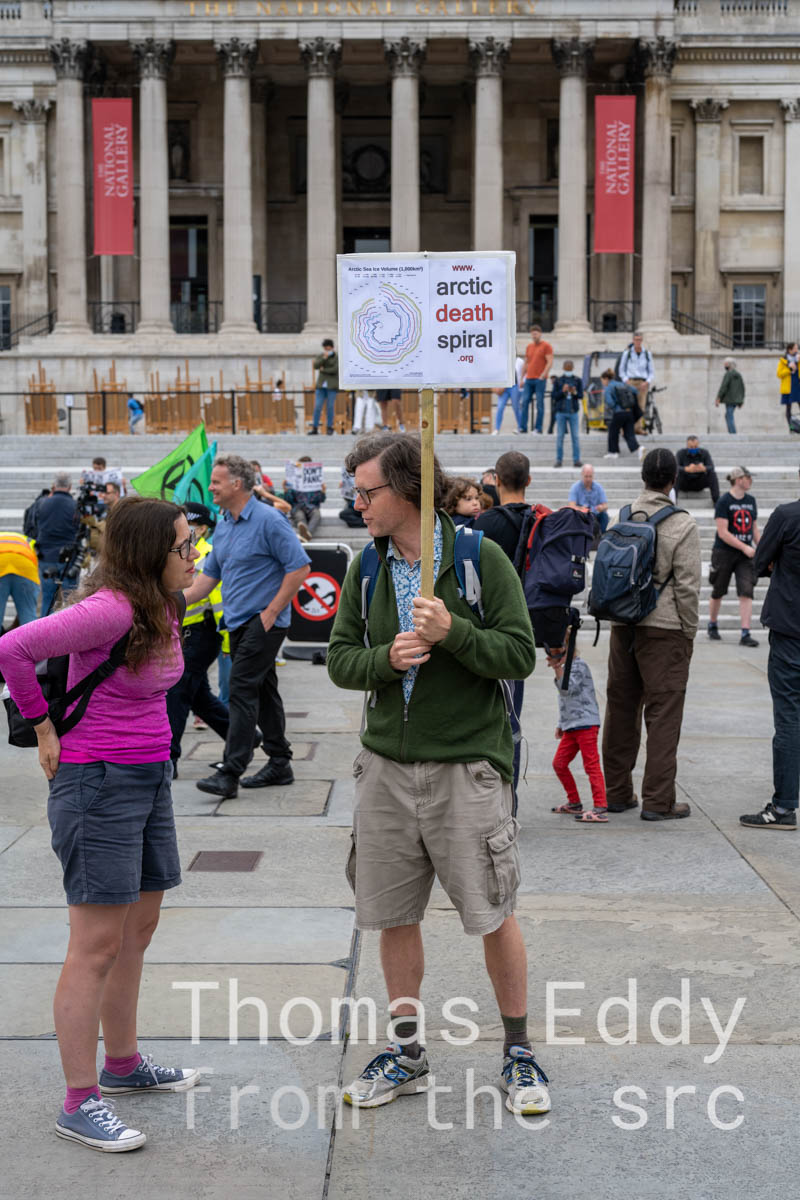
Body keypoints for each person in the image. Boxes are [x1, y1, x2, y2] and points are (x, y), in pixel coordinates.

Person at [327, 432, 549, 1118]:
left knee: (491, 912)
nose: (358, 504)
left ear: (408, 491)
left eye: (368, 492)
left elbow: (520, 655)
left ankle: (517, 1050)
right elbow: (339, 659)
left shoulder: (480, 558)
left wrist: (454, 631)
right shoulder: (365, 568)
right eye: (356, 493)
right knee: (392, 915)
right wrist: (384, 661)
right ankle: (406, 1053)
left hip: (465, 768)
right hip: (385, 768)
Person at [0, 496, 200, 1152]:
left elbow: (203, 586)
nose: (191, 554)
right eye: (182, 546)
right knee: (95, 946)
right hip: (97, 784)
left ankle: (123, 1065)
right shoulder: (110, 609)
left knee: (137, 931)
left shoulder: (161, 602)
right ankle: (79, 1101)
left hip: (148, 777)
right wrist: (43, 728)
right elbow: (12, 648)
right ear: (148, 554)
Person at [184, 455, 310, 799]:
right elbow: (208, 579)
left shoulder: (270, 520)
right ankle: (280, 762)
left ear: (237, 484)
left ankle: (231, 770)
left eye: (216, 482)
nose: (211, 487)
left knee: (240, 687)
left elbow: (299, 567)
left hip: (263, 621)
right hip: (237, 622)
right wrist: (170, 601)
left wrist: (272, 612)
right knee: (264, 692)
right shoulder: (225, 524)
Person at [602, 448, 701, 820]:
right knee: (663, 714)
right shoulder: (682, 524)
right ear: (673, 481)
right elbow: (688, 586)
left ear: (643, 477)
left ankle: (616, 793)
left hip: (622, 626)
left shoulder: (621, 515)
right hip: (665, 629)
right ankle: (659, 802)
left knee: (620, 709)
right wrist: (689, 631)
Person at [740, 467, 800, 830]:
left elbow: (759, 561)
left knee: (789, 718)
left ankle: (784, 806)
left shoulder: (787, 516)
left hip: (791, 628)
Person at [473, 450, 532, 798]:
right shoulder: (540, 521)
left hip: (485, 629)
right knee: (512, 720)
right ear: (529, 480)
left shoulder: (484, 525)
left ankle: (484, 796)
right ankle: (509, 801)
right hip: (522, 630)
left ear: (495, 481)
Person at [166, 503, 231, 777]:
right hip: (185, 633)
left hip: (201, 634)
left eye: (191, 526)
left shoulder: (206, 555)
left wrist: (227, 642)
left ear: (203, 528)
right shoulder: (181, 551)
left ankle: (169, 759)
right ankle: (245, 738)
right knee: (199, 697)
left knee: (178, 692)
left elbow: (219, 602)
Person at [547, 632, 608, 823]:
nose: (554, 654)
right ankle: (574, 802)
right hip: (571, 726)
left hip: (586, 724)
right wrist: (561, 724)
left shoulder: (579, 666)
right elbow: (565, 701)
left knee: (591, 765)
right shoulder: (566, 667)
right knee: (559, 763)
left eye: (558, 650)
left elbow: (567, 689)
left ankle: (600, 806)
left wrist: (557, 668)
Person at [707, 467, 760, 647]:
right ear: (738, 480)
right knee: (718, 590)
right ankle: (712, 624)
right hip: (724, 552)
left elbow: (754, 529)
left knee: (747, 591)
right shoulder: (724, 501)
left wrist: (762, 549)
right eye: (748, 477)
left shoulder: (751, 501)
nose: (750, 480)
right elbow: (723, 533)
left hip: (745, 555)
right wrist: (745, 547)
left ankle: (745, 632)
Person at [36, 472, 79, 614]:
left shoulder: (42, 503)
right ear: (70, 486)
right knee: (70, 600)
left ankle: (44, 626)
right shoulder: (75, 505)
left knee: (47, 598)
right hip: (68, 557)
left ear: (54, 486)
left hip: (46, 556)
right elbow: (80, 530)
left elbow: (34, 526)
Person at [0, 530, 40, 626]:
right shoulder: (26, 540)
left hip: (1, 563)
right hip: (25, 567)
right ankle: (31, 634)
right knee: (28, 615)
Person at [601, 369, 642, 460]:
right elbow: (635, 391)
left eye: (602, 380)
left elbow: (609, 402)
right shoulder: (622, 384)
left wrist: (616, 407)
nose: (603, 382)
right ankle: (639, 448)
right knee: (629, 433)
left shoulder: (608, 388)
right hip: (629, 412)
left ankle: (613, 452)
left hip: (619, 413)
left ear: (606, 379)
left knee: (613, 432)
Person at [283, 455, 326, 541]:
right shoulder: (293, 481)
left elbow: (321, 499)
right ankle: (306, 533)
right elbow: (288, 500)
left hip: (312, 507)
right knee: (300, 516)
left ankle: (306, 534)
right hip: (297, 507)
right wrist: (286, 490)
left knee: (317, 514)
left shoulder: (315, 482)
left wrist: (323, 491)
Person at [521, 325, 554, 434]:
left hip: (540, 379)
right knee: (525, 402)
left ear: (540, 334)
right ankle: (523, 427)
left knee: (540, 404)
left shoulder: (546, 346)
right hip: (529, 379)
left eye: (535, 334)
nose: (534, 336)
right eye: (532, 334)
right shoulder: (529, 347)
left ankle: (538, 428)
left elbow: (550, 361)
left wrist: (543, 375)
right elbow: (526, 363)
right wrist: (521, 378)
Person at [551, 360, 583, 469]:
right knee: (560, 437)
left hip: (573, 412)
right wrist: (563, 390)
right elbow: (554, 396)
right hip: (561, 412)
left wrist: (574, 392)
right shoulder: (558, 380)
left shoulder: (577, 380)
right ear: (564, 368)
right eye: (567, 368)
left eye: (570, 368)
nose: (568, 369)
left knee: (575, 437)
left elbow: (581, 396)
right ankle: (559, 460)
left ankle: (576, 460)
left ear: (573, 368)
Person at [619, 331, 655, 423]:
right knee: (629, 405)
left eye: (639, 340)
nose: (638, 342)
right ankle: (629, 427)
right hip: (630, 382)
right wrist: (626, 380)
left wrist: (647, 382)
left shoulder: (647, 354)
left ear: (642, 341)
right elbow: (621, 370)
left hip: (642, 383)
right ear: (633, 340)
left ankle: (638, 427)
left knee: (641, 406)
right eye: (636, 340)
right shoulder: (627, 353)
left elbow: (651, 371)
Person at [676, 436, 720, 504]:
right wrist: (686, 469)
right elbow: (675, 467)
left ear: (698, 445)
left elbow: (711, 467)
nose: (693, 448)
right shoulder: (680, 453)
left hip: (700, 482)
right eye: (691, 447)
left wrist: (703, 468)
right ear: (687, 445)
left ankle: (716, 501)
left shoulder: (704, 452)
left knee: (712, 474)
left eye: (695, 447)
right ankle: (672, 501)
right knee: (676, 474)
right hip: (685, 482)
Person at [567, 464, 609, 534]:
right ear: (582, 475)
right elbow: (571, 506)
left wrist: (601, 507)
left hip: (595, 515)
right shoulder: (575, 487)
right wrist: (581, 509)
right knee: (571, 515)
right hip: (582, 516)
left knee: (604, 515)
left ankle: (603, 536)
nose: (588, 479)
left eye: (590, 476)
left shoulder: (599, 487)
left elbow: (606, 505)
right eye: (586, 476)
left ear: (593, 475)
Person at [310, 338, 339, 435]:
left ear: (332, 347)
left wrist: (323, 370)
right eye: (325, 349)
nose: (327, 351)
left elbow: (335, 369)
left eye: (328, 349)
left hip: (332, 386)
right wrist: (324, 358)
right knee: (317, 406)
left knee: (330, 407)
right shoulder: (321, 356)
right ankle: (315, 427)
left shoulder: (337, 357)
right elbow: (315, 366)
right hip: (321, 386)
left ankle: (329, 427)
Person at [493, 355, 524, 435]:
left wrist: (522, 383)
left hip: (514, 386)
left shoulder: (520, 361)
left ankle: (520, 427)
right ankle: (497, 428)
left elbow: (523, 374)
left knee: (516, 407)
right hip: (504, 386)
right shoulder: (501, 360)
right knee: (500, 406)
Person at [715, 357, 745, 434]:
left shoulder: (728, 374)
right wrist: (741, 401)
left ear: (730, 365)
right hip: (736, 400)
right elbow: (742, 388)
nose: (724, 365)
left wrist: (718, 397)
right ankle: (732, 432)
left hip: (729, 399)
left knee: (729, 415)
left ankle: (732, 433)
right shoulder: (738, 375)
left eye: (726, 364)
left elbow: (724, 386)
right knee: (728, 415)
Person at [777, 342, 800, 430]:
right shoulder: (783, 361)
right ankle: (791, 427)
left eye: (797, 348)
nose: (797, 350)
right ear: (790, 350)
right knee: (788, 408)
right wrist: (789, 369)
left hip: (797, 386)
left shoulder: (798, 359)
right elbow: (779, 374)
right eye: (795, 348)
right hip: (788, 388)